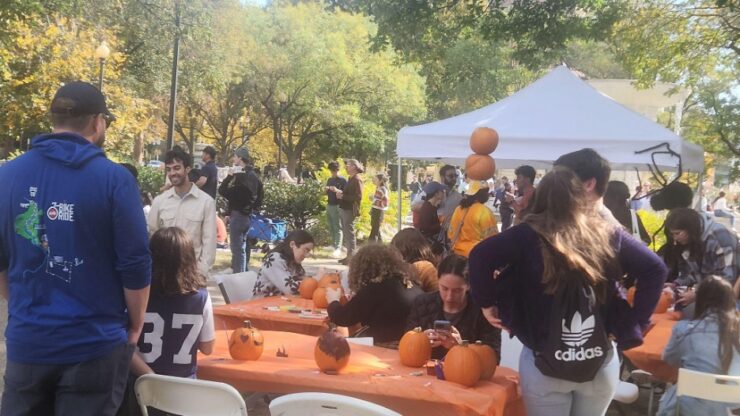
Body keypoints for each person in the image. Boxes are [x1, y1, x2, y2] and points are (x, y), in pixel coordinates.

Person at [0, 81, 151, 415]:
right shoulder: (115, 180)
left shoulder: (6, 177)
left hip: (30, 341)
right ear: (98, 123)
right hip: (95, 344)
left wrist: (26, 304)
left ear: (54, 120)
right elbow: (136, 263)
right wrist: (136, 324)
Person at [469, 167, 667, 416]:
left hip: (542, 362)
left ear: (540, 199)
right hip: (599, 360)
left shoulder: (523, 236)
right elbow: (655, 268)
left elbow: (479, 257)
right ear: (581, 198)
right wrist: (636, 321)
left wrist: (487, 304)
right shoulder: (606, 233)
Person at [656, 276, 740, 416]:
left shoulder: (684, 330)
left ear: (700, 300)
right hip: (731, 407)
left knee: (672, 390)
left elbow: (669, 359)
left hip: (689, 408)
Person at [406, 254, 501, 360]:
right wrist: (420, 341)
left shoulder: (484, 311)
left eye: (457, 291)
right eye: (444, 288)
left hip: (466, 374)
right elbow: (405, 346)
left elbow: (493, 358)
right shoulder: (422, 303)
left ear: (469, 286)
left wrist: (461, 347)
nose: (449, 297)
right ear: (438, 281)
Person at [325, 244, 423, 344]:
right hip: (410, 343)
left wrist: (333, 301)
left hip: (385, 345)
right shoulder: (409, 284)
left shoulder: (376, 288)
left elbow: (344, 318)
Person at [148, 147, 217, 276]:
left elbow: (209, 242)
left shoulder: (206, 202)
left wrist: (200, 274)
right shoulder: (159, 201)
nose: (172, 173)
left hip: (192, 276)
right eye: (169, 169)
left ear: (187, 169)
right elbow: (153, 237)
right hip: (164, 275)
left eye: (177, 168)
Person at [661, 208, 738, 316]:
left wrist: (697, 294)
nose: (675, 238)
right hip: (710, 295)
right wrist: (675, 284)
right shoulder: (690, 241)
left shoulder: (720, 237)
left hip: (731, 298)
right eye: (672, 234)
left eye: (678, 233)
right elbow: (694, 274)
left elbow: (728, 279)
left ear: (690, 228)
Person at [218, 148, 263, 273]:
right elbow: (260, 194)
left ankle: (239, 274)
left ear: (240, 158)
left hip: (238, 215)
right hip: (247, 215)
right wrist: (253, 208)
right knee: (243, 247)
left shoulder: (241, 180)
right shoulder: (254, 176)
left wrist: (229, 177)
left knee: (237, 249)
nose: (233, 159)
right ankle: (243, 271)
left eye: (235, 157)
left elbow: (222, 190)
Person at [554, 148, 620, 227]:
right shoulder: (565, 218)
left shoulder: (610, 232)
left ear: (589, 185)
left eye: (561, 180)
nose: (552, 186)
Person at [252, 230, 314, 298]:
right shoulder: (274, 259)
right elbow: (290, 289)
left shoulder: (293, 263)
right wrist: (315, 280)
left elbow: (304, 280)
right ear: (292, 245)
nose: (307, 255)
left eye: (308, 251)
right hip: (261, 304)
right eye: (305, 250)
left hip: (281, 304)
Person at [448, 180, 498, 257]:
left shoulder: (459, 209)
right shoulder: (484, 211)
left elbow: (450, 234)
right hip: (475, 255)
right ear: (481, 194)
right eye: (486, 192)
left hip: (457, 254)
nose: (488, 194)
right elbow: (492, 239)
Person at [411, 165, 463, 234]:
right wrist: (432, 206)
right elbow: (413, 207)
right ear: (442, 177)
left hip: (449, 236)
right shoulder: (431, 190)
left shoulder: (459, 197)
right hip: (429, 234)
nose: (454, 178)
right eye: (450, 176)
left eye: (455, 176)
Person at [336, 159, 363, 265]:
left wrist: (343, 196)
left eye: (348, 165)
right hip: (344, 207)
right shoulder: (350, 178)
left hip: (349, 209)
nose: (346, 166)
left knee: (349, 233)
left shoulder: (357, 179)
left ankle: (352, 257)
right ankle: (348, 256)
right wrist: (341, 194)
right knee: (346, 233)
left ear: (354, 167)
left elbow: (358, 197)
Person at [325, 161, 347, 258]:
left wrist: (336, 190)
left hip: (338, 205)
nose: (333, 173)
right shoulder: (329, 180)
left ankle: (338, 248)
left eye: (335, 171)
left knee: (337, 227)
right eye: (332, 171)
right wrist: (325, 190)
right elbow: (325, 193)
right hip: (329, 204)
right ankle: (334, 245)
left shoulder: (343, 180)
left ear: (338, 170)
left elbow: (345, 193)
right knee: (330, 226)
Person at [368, 173, 389, 243]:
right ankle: (381, 245)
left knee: (374, 230)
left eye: (375, 179)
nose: (373, 180)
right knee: (375, 228)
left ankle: (371, 245)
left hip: (379, 212)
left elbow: (385, 203)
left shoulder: (383, 189)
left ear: (380, 181)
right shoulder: (378, 188)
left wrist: (374, 199)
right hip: (375, 211)